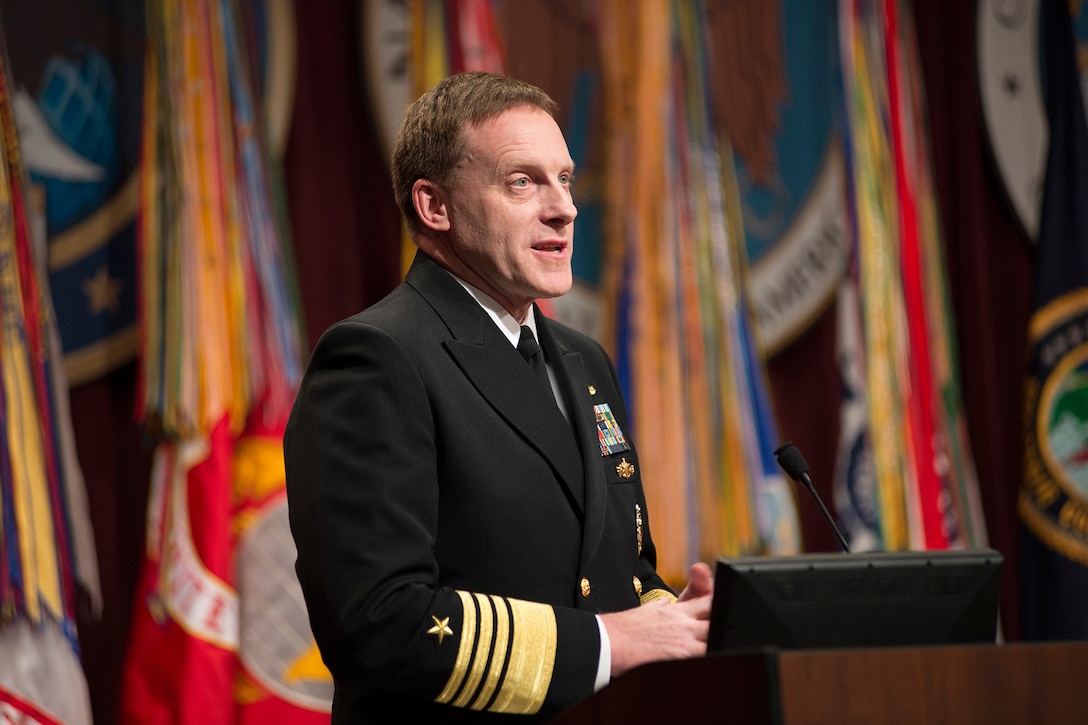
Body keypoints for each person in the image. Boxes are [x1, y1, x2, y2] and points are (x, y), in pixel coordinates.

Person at [284, 71, 713, 723]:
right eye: (523, 181)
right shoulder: (377, 357)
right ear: (435, 207)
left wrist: (675, 618)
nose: (564, 207)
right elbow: (376, 620)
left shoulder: (584, 360)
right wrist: (609, 643)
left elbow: (619, 568)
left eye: (564, 179)